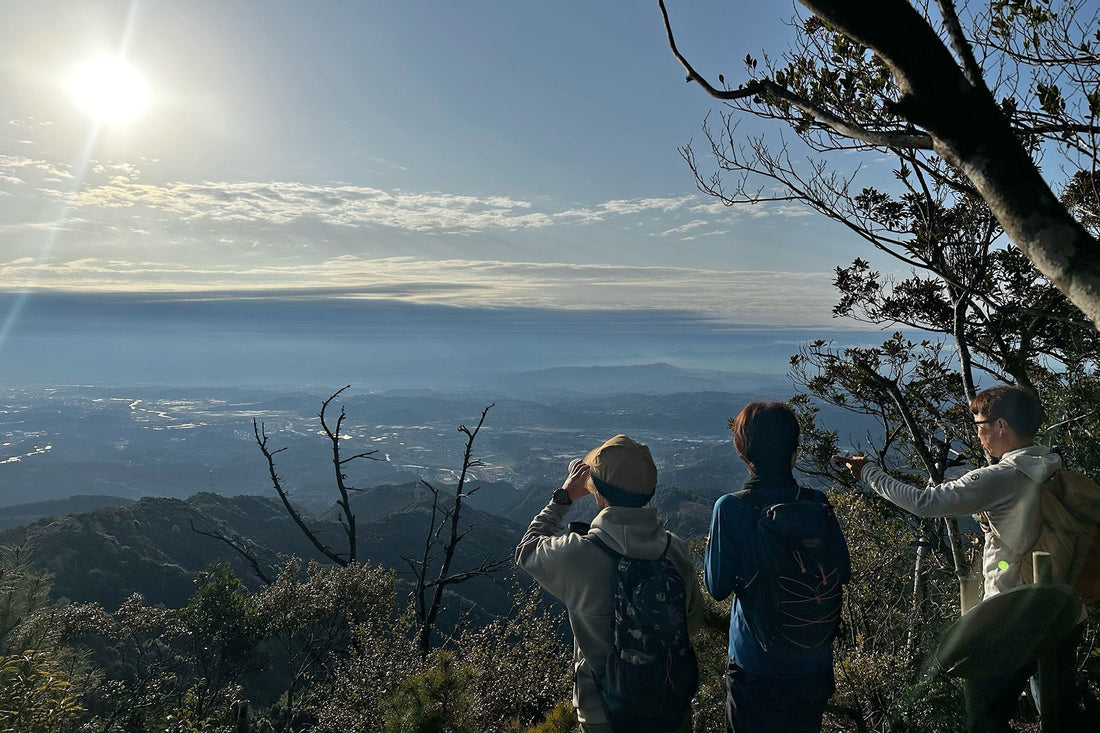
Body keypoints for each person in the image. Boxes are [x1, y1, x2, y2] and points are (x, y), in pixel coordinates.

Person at [833, 384, 1082, 732]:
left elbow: (925, 503)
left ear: (1002, 427)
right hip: (1062, 605)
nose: (978, 437)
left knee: (982, 715)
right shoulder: (1053, 464)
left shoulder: (1003, 477)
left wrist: (869, 473)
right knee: (1059, 710)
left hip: (1016, 613)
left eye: (980, 427)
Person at [515, 434, 703, 732]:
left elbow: (527, 550)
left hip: (603, 713)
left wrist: (563, 498)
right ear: (651, 491)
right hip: (671, 708)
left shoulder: (579, 554)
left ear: (597, 492)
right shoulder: (674, 549)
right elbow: (692, 622)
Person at [705, 402, 851, 733]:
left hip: (756, 665)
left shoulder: (731, 508)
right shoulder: (817, 503)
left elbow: (716, 588)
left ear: (743, 450)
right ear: (794, 448)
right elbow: (843, 571)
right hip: (813, 664)